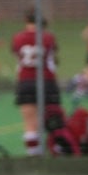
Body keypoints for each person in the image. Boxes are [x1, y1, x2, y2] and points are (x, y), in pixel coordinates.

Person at [11, 8, 62, 156]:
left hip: (25, 81)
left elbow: (17, 57)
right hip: (47, 81)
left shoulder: (17, 38)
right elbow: (53, 59)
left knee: (29, 122)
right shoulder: (48, 37)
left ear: (27, 21)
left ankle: (33, 154)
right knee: (53, 119)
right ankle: (57, 151)